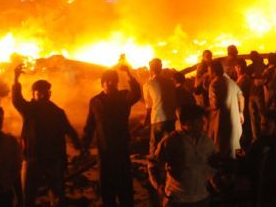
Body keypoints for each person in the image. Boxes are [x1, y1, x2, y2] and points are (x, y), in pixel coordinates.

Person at [12, 67, 81, 207]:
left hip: (53, 160)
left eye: (46, 92)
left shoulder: (57, 112)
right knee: (28, 197)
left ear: (50, 93)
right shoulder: (29, 110)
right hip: (32, 159)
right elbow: (16, 99)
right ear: (33, 94)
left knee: (57, 196)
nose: (43, 95)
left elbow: (68, 129)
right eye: (40, 92)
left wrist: (79, 145)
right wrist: (15, 79)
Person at [82, 66, 141, 207]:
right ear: (102, 83)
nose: (110, 83)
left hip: (121, 149)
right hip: (104, 150)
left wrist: (128, 74)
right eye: (107, 81)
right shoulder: (95, 101)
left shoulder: (123, 97)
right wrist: (84, 146)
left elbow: (137, 93)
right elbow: (90, 125)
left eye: (113, 81)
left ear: (116, 83)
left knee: (124, 185)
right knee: (107, 187)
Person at [149, 104, 217, 206]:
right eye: (199, 120)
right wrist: (158, 186)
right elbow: (153, 164)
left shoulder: (206, 141)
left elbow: (213, 163)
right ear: (188, 123)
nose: (203, 123)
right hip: (177, 200)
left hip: (202, 198)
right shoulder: (171, 141)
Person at [207, 60, 244, 158]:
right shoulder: (230, 81)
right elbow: (240, 97)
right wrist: (241, 112)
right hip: (234, 119)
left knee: (223, 148)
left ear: (214, 72)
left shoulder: (214, 84)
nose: (208, 73)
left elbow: (215, 105)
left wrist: (204, 109)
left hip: (222, 121)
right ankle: (242, 164)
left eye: (209, 71)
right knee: (236, 145)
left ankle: (228, 169)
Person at [143, 58, 177, 155]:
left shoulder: (148, 84)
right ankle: (170, 167)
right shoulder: (170, 82)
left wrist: (145, 120)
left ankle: (153, 166)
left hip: (157, 119)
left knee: (154, 144)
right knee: (170, 144)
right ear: (160, 68)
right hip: (171, 117)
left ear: (151, 69)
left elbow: (148, 106)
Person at [248, 51, 267, 142]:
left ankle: (256, 138)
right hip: (260, 96)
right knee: (262, 117)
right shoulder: (264, 67)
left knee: (254, 119)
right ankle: (263, 137)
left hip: (253, 95)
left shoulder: (250, 68)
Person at [235, 58, 252, 148]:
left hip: (243, 109)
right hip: (240, 108)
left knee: (243, 131)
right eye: (238, 67)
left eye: (241, 67)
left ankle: (243, 154)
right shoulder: (240, 78)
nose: (239, 69)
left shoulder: (244, 79)